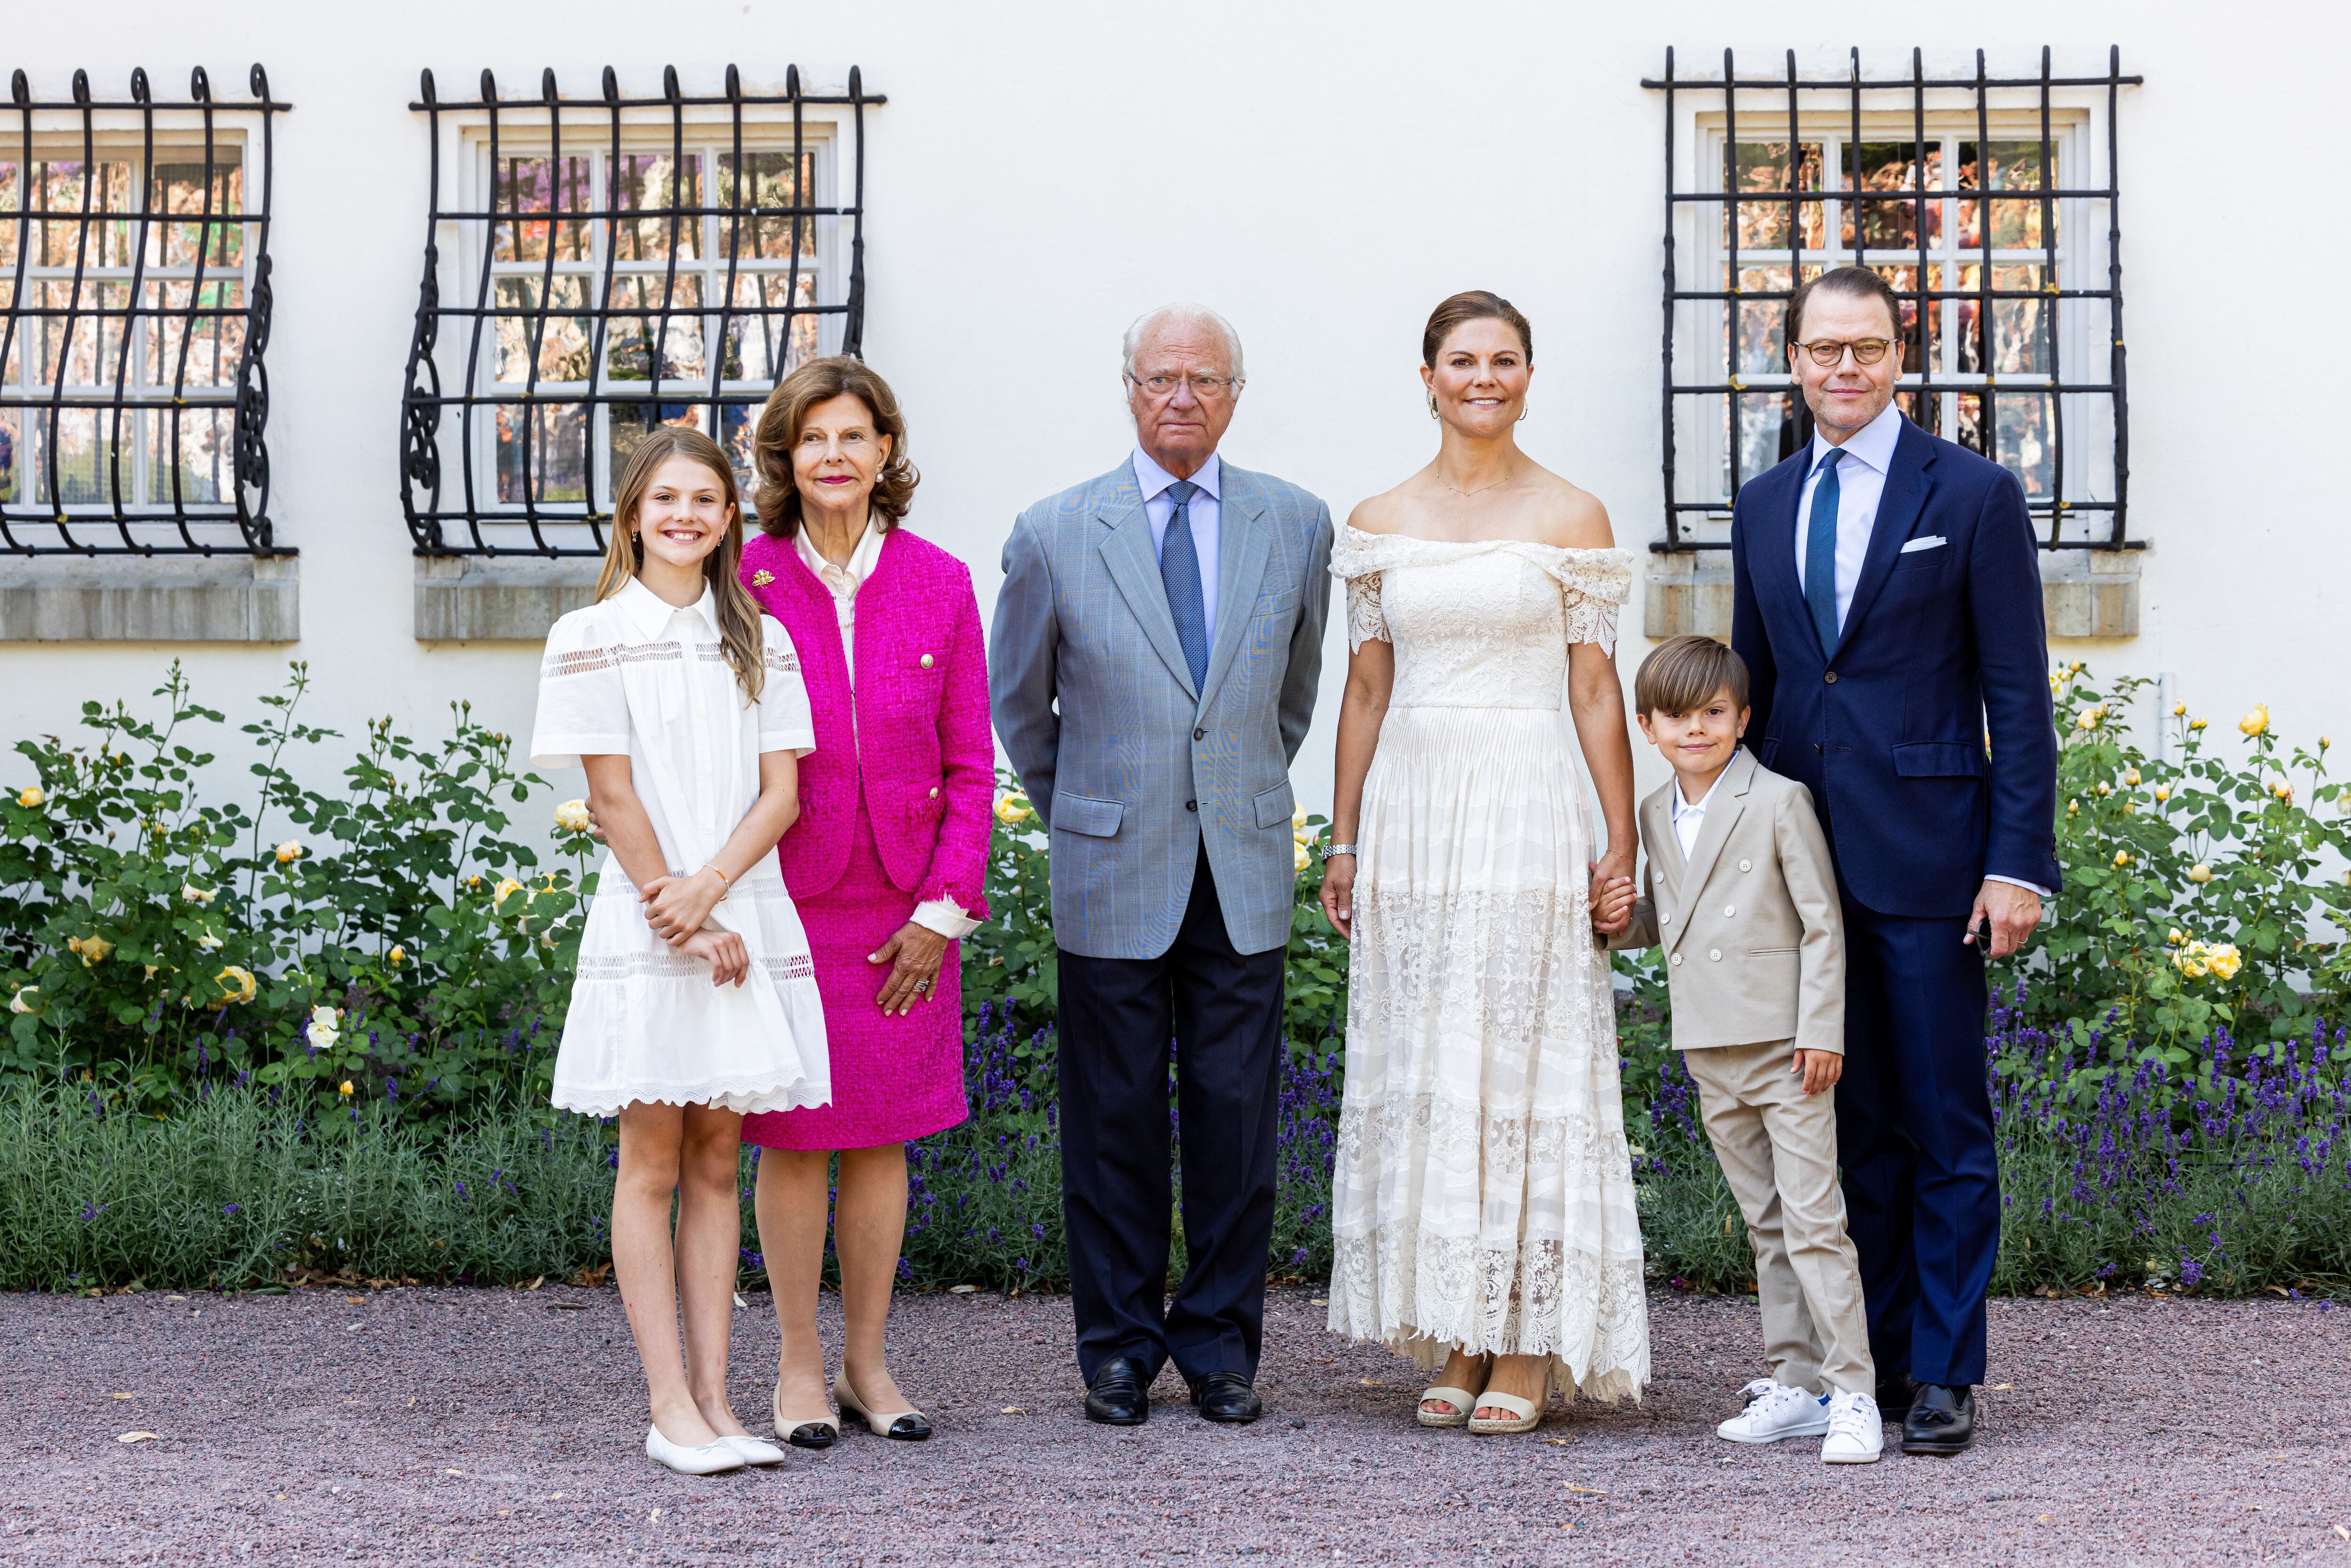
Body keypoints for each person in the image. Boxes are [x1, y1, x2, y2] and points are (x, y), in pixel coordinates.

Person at [1729, 265, 2059, 1457]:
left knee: (1938, 1123)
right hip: (1800, 870)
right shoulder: (1762, 503)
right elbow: (1754, 701)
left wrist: (2016, 864)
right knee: (1833, 1125)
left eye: (1866, 349)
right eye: (1824, 350)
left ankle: (1942, 1369)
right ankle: (1855, 1368)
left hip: (1929, 862)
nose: (1845, 369)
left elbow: (2017, 699)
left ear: (1899, 356)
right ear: (1796, 359)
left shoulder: (1971, 494)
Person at [989, 303, 1333, 1427]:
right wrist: (1086, 812)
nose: (1181, 396)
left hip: (1237, 860)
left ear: (1237, 393)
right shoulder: (1052, 531)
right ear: (1126, 387)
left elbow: (1292, 695)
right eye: (1160, 377)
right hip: (1109, 865)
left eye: (1204, 378)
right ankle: (1120, 1351)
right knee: (1114, 1120)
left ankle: (1223, 1350)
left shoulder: (1296, 522)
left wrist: (1222, 792)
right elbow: (1020, 712)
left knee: (1237, 1122)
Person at [1320, 290, 1649, 1435]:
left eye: (1504, 360)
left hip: (1522, 803)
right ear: (1426, 376)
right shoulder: (1375, 517)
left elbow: (1596, 687)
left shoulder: (1571, 513)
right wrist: (1345, 834)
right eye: (1462, 360)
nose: (1483, 377)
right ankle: (1455, 1327)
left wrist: (1621, 839)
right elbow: (1364, 688)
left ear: (1526, 376)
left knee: (1522, 1057)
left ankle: (1525, 1344)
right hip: (1413, 809)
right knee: (1434, 1056)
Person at [530, 426, 828, 1477]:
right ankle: (666, 1406)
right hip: (652, 919)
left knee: (718, 1159)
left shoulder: (762, 639)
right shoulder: (588, 635)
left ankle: (715, 1399)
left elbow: (783, 792)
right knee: (652, 1156)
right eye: (666, 499)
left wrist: (715, 894)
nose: (686, 516)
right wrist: (681, 910)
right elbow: (610, 794)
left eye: (706, 499)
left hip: (741, 911)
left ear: (731, 517)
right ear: (633, 514)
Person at [736, 357, 994, 1448]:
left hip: (904, 914)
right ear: (785, 460)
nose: (834, 456)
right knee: (795, 1139)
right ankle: (798, 1366)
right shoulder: (741, 578)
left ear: (885, 450)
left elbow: (972, 767)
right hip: (786, 898)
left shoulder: (938, 580)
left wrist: (944, 912)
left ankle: (869, 1365)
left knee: (884, 1137)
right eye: (812, 440)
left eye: (853, 436)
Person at [1612, 635, 1879, 1464]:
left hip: (1784, 1045)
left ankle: (1855, 1393)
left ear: (1742, 718)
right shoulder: (1655, 814)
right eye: (1677, 718)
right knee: (1765, 1223)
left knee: (1814, 1223)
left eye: (1713, 714)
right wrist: (1611, 912)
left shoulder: (1778, 799)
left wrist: (1821, 1030)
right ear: (1649, 727)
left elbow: (1823, 923)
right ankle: (1795, 1384)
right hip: (1709, 1045)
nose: (1696, 730)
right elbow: (1667, 921)